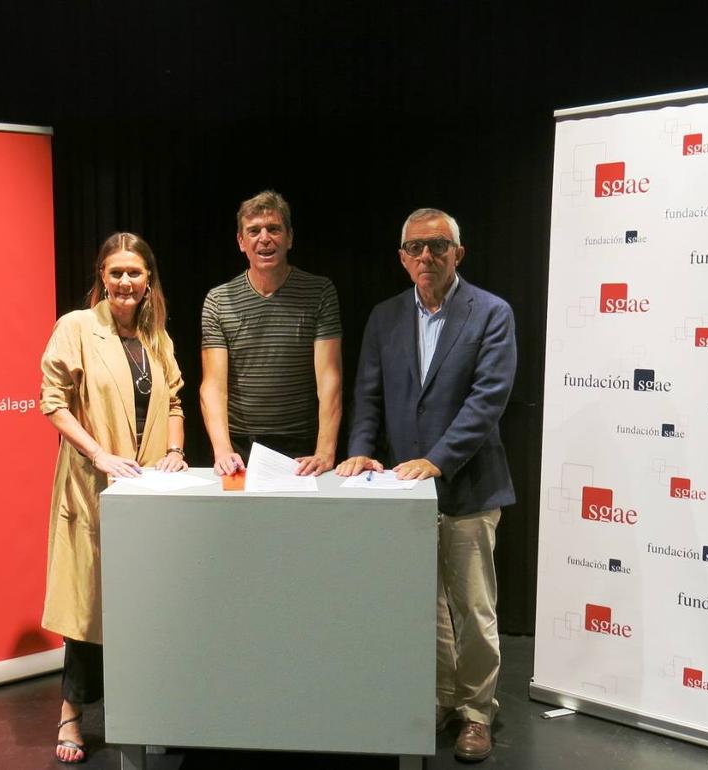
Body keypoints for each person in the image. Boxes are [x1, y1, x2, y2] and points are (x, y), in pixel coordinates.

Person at [335, 208, 516, 763]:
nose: (426, 256)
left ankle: (478, 711)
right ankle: (441, 699)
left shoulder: (490, 313)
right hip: (403, 495)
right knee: (426, 607)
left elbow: (488, 400)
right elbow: (367, 395)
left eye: (438, 246)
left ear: (458, 253)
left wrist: (437, 460)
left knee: (473, 607)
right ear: (402, 257)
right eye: (415, 247)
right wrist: (361, 449)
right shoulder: (385, 316)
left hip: (468, 488)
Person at [38, 233, 187, 764]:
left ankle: (151, 711)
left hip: (146, 493)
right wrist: (100, 454)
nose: (126, 282)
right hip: (92, 489)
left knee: (147, 607)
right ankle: (71, 716)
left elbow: (174, 399)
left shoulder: (155, 336)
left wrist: (174, 449)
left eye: (136, 272)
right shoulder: (76, 328)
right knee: (90, 609)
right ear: (101, 275)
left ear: (149, 280)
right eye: (116, 272)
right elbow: (51, 403)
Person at [200, 189, 342, 476]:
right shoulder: (218, 299)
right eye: (254, 231)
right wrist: (222, 449)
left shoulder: (320, 292)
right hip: (240, 449)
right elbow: (213, 386)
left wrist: (325, 451)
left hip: (302, 448)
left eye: (274, 229)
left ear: (289, 237)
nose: (264, 238)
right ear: (241, 242)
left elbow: (329, 378)